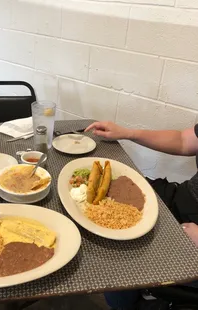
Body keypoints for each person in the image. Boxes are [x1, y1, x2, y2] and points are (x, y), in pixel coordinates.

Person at [85, 121, 198, 308]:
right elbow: (184, 141)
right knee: (109, 212)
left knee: (125, 258)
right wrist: (128, 133)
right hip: (182, 197)